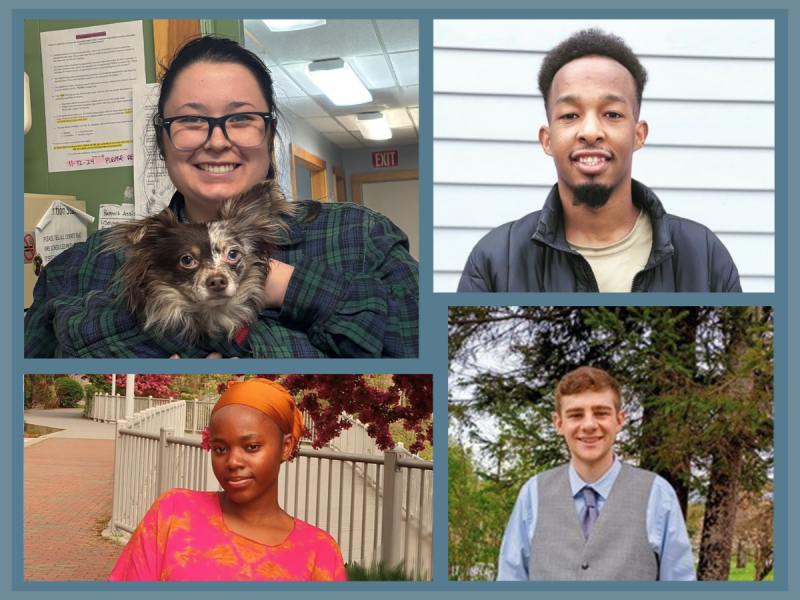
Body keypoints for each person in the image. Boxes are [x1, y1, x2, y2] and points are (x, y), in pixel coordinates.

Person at [24, 35, 419, 358]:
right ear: (162, 139)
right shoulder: (82, 266)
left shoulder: (360, 237)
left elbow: (421, 349)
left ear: (269, 131)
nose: (217, 141)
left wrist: (290, 285)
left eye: (241, 119)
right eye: (191, 121)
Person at [457, 28, 741, 293]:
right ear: (547, 140)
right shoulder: (493, 261)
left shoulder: (705, 256)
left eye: (612, 114)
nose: (590, 132)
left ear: (638, 135)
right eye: (570, 115)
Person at [109, 378, 347, 581]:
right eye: (220, 449)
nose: (233, 462)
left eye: (251, 447)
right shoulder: (174, 512)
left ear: (286, 447)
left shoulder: (319, 552)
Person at [497, 367, 695, 581]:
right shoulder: (532, 494)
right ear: (559, 423)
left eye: (601, 413)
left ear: (619, 420)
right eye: (576, 415)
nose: (589, 425)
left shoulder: (658, 494)